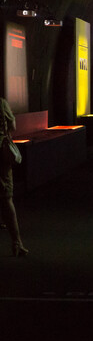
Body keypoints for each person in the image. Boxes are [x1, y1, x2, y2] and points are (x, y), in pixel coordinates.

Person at [0, 97, 28, 257]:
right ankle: (16, 243)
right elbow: (13, 126)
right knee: (6, 198)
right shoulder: (1, 103)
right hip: (1, 156)